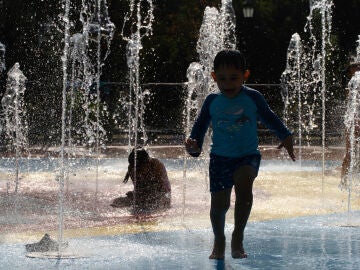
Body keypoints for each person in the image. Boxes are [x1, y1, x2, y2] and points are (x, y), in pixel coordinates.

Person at [185, 49, 295, 260]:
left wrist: (285, 135)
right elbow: (199, 129)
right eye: (222, 78)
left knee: (244, 188)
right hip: (220, 158)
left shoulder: (253, 97)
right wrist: (194, 147)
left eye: (234, 78)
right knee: (220, 205)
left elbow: (269, 118)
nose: (228, 83)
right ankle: (219, 240)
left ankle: (238, 236)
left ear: (245, 75)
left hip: (247, 156)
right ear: (214, 77)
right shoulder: (211, 100)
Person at [111, 148, 171, 212]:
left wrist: (143, 194)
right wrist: (134, 194)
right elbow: (138, 188)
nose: (138, 172)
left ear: (147, 163)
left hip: (160, 196)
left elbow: (165, 189)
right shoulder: (131, 168)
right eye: (135, 169)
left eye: (140, 169)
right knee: (117, 202)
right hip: (143, 196)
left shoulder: (157, 166)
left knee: (159, 204)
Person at [341, 57, 360, 187]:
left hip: (354, 120)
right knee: (349, 152)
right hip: (353, 121)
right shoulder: (351, 84)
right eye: (356, 67)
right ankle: (343, 181)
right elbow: (351, 105)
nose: (358, 69)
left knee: (350, 153)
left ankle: (344, 181)